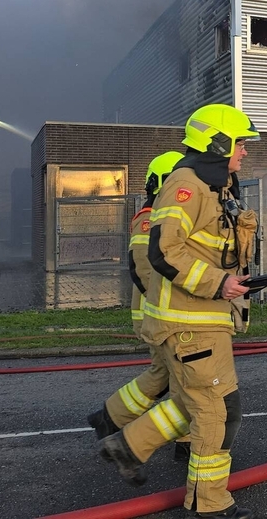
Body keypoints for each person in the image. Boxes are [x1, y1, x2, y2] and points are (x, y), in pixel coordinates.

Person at [98, 104, 260, 519]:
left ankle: (127, 445)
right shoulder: (186, 185)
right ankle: (208, 505)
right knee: (214, 412)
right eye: (240, 143)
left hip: (205, 320)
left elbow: (207, 249)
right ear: (218, 143)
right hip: (189, 323)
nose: (244, 151)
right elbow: (164, 252)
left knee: (203, 404)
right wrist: (219, 283)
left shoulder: (212, 186)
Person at [86, 150, 190, 460]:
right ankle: (173, 441)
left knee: (165, 375)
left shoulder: (164, 215)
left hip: (159, 313)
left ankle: (109, 418)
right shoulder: (149, 219)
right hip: (158, 314)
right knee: (181, 378)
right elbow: (144, 269)